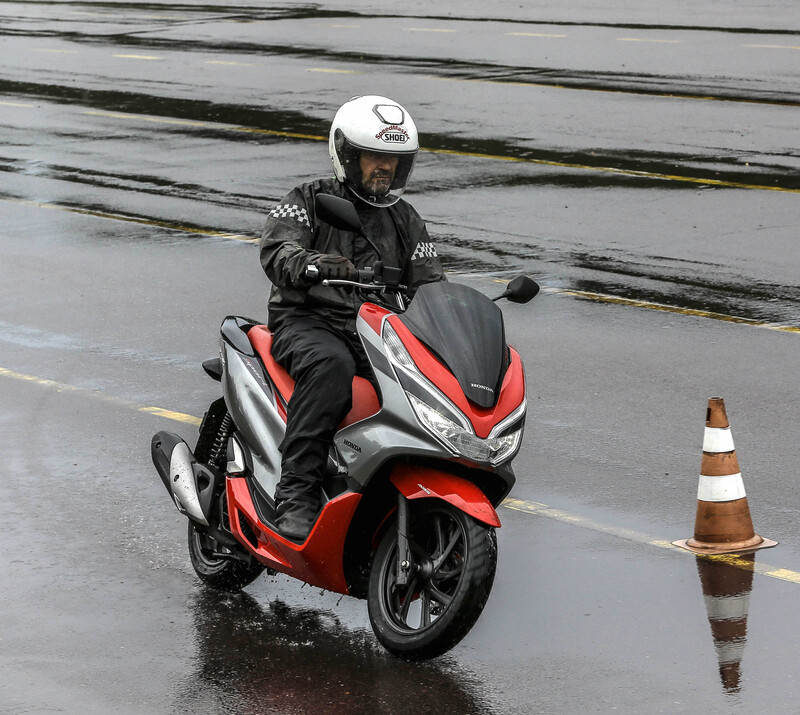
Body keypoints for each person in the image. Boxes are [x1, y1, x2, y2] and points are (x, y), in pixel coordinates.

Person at [259, 95, 445, 541]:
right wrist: (313, 263)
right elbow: (277, 249)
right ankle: (297, 493)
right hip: (308, 321)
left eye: (393, 160)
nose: (384, 167)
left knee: (426, 386)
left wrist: (447, 312)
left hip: (376, 331)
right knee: (331, 368)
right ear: (348, 154)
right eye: (374, 156)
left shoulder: (405, 219)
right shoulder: (309, 198)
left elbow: (431, 281)